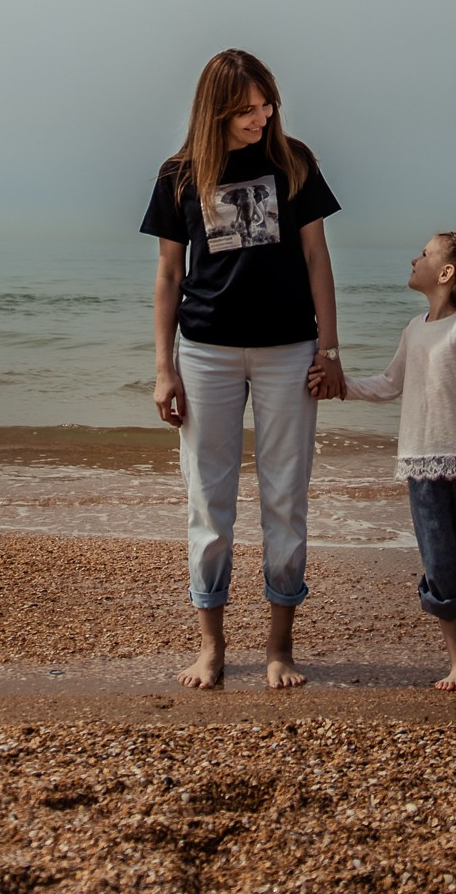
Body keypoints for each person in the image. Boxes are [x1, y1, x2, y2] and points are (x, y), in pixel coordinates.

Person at [141, 49, 344, 690]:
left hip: (289, 352)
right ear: (217, 110)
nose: (263, 117)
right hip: (205, 353)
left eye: (267, 105)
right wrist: (163, 368)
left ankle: (280, 649)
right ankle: (212, 648)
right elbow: (170, 276)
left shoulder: (294, 162)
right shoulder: (179, 175)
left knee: (286, 499)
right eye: (248, 109)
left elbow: (316, 260)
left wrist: (329, 350)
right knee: (210, 504)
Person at [313, 230, 456, 691]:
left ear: (446, 273)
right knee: (440, 566)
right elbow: (390, 383)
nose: (414, 258)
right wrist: (339, 383)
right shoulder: (415, 327)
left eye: (424, 254)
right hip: (420, 468)